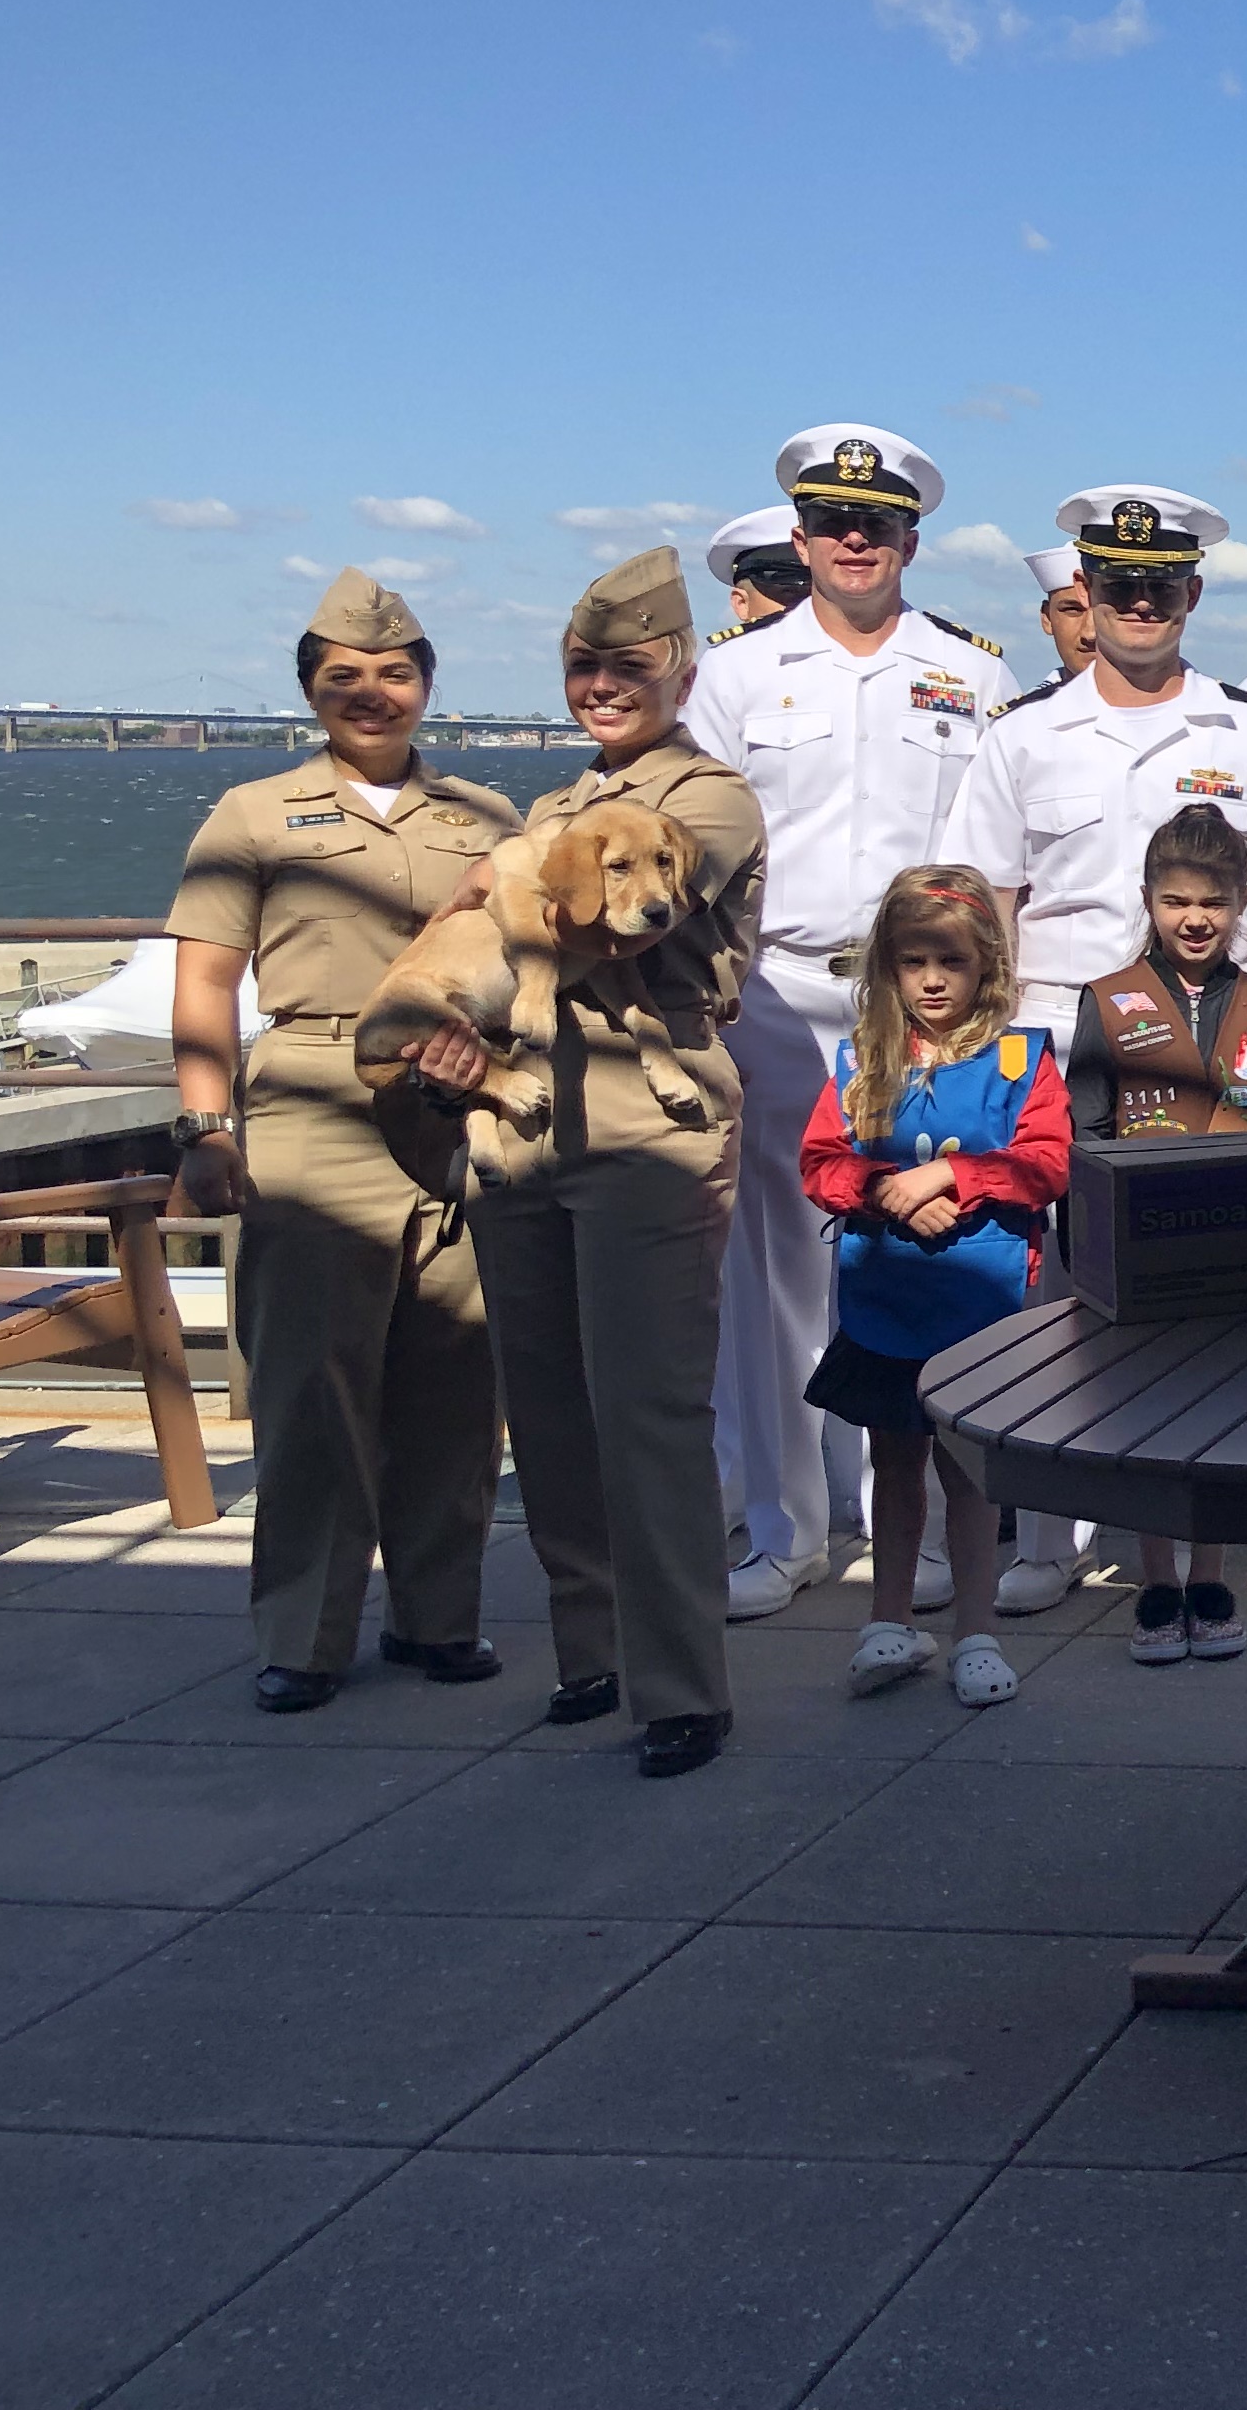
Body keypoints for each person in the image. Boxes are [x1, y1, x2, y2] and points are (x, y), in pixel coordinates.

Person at [937, 484, 1247, 1614]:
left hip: (1217, 1040)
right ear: (1086, 595)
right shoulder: (1022, 736)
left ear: (1193, 594)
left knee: (1208, 1288)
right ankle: (1048, 1535)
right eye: (1119, 587)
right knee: (1053, 1292)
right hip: (1058, 1035)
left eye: (1160, 587)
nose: (1140, 604)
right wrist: (982, 1063)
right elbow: (985, 906)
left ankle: (1209, 1516)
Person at [166, 569, 517, 1713]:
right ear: (312, 692)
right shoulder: (256, 815)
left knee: (455, 1382)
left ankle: (436, 1620)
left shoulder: (485, 820)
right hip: (314, 1099)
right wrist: (205, 1126)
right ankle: (305, 1637)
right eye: (345, 678)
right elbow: (207, 981)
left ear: (428, 684)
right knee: (313, 1388)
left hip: (457, 1100)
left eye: (396, 673)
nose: (374, 694)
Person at [685, 423, 1011, 1624]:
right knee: (776, 1272)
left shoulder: (970, 673)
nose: (853, 541)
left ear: (912, 537)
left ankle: (906, 1530)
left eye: (875, 524)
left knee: (919, 1257)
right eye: (831, 522)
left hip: (923, 1005)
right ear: (801, 538)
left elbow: (987, 855)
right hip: (774, 993)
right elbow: (694, 848)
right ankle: (784, 1529)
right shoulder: (734, 675)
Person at [470, 547, 766, 1776]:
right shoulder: (548, 811)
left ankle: (680, 1684)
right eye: (583, 666)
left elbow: (583, 919)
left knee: (647, 1407)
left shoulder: (706, 802)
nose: (602, 686)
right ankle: (588, 1653)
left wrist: (482, 923)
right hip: (526, 1104)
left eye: (628, 666)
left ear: (681, 671)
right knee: (544, 1406)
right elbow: (499, 913)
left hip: (652, 1114)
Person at [799, 865, 1064, 1709]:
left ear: (987, 962)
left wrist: (956, 1174)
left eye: (951, 959)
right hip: (888, 1301)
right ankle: (887, 1620)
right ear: (887, 968)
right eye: (914, 962)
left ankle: (975, 1631)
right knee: (895, 1463)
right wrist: (880, 1191)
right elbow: (819, 1162)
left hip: (979, 1309)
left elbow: (1047, 1162)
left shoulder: (1022, 1059)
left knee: (970, 1478)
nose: (934, 980)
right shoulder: (858, 1062)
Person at [1061, 805, 1247, 1659]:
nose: (1194, 920)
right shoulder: (1109, 1001)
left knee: (1228, 1413)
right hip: (1144, 1250)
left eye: (1213, 902)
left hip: (1238, 1250)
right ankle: (1158, 1578)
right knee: (1148, 1418)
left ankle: (1213, 1570)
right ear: (1148, 900)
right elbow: (1085, 1133)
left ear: (1241, 904)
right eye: (1174, 902)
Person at [704, 508, 806, 637]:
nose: (807, 607)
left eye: (818, 597)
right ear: (741, 604)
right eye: (789, 595)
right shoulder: (723, 657)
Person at [1025, 545, 1091, 679]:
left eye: (1103, 611)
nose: (1090, 634)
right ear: (1047, 619)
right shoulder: (1036, 701)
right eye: (1073, 610)